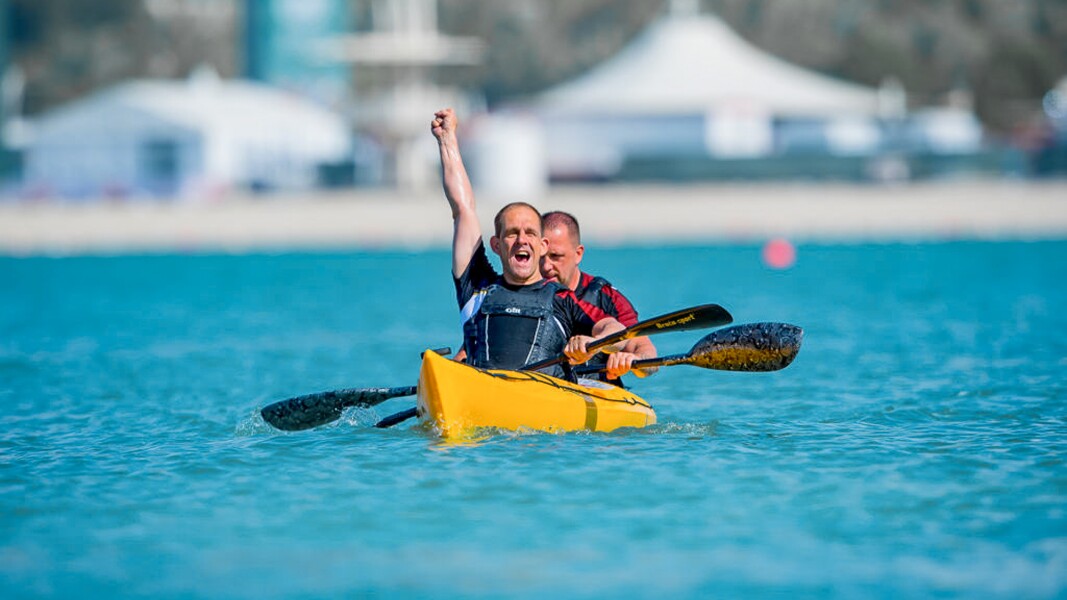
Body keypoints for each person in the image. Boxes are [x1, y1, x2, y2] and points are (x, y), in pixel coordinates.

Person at [430, 108, 641, 381]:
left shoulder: (562, 298)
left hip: (543, 404)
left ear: (541, 245)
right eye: (512, 233)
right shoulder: (476, 287)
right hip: (479, 392)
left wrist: (591, 345)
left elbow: (612, 327)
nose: (521, 239)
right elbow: (462, 209)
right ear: (496, 245)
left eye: (530, 232)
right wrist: (447, 140)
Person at [541, 210, 657, 381]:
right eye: (540, 256)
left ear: (578, 254)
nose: (545, 266)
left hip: (595, 388)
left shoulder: (607, 298)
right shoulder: (523, 291)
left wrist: (634, 360)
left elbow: (646, 352)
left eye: (555, 256)